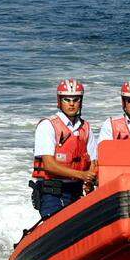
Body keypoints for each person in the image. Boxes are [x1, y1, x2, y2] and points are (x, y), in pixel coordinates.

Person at [31, 78, 97, 219]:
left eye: (76, 99)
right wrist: (82, 175)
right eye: (67, 99)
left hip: (76, 191)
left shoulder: (86, 128)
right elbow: (49, 165)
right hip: (53, 192)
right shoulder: (48, 126)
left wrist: (90, 181)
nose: (72, 104)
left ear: (81, 101)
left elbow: (94, 161)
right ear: (59, 101)